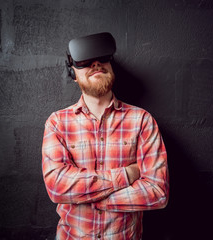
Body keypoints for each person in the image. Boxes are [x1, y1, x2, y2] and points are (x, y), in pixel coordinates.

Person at [42, 32, 169, 240]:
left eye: (103, 59)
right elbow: (57, 187)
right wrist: (127, 175)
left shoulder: (142, 121)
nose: (96, 64)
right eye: (85, 62)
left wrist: (89, 198)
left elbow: (157, 191)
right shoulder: (57, 123)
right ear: (72, 73)